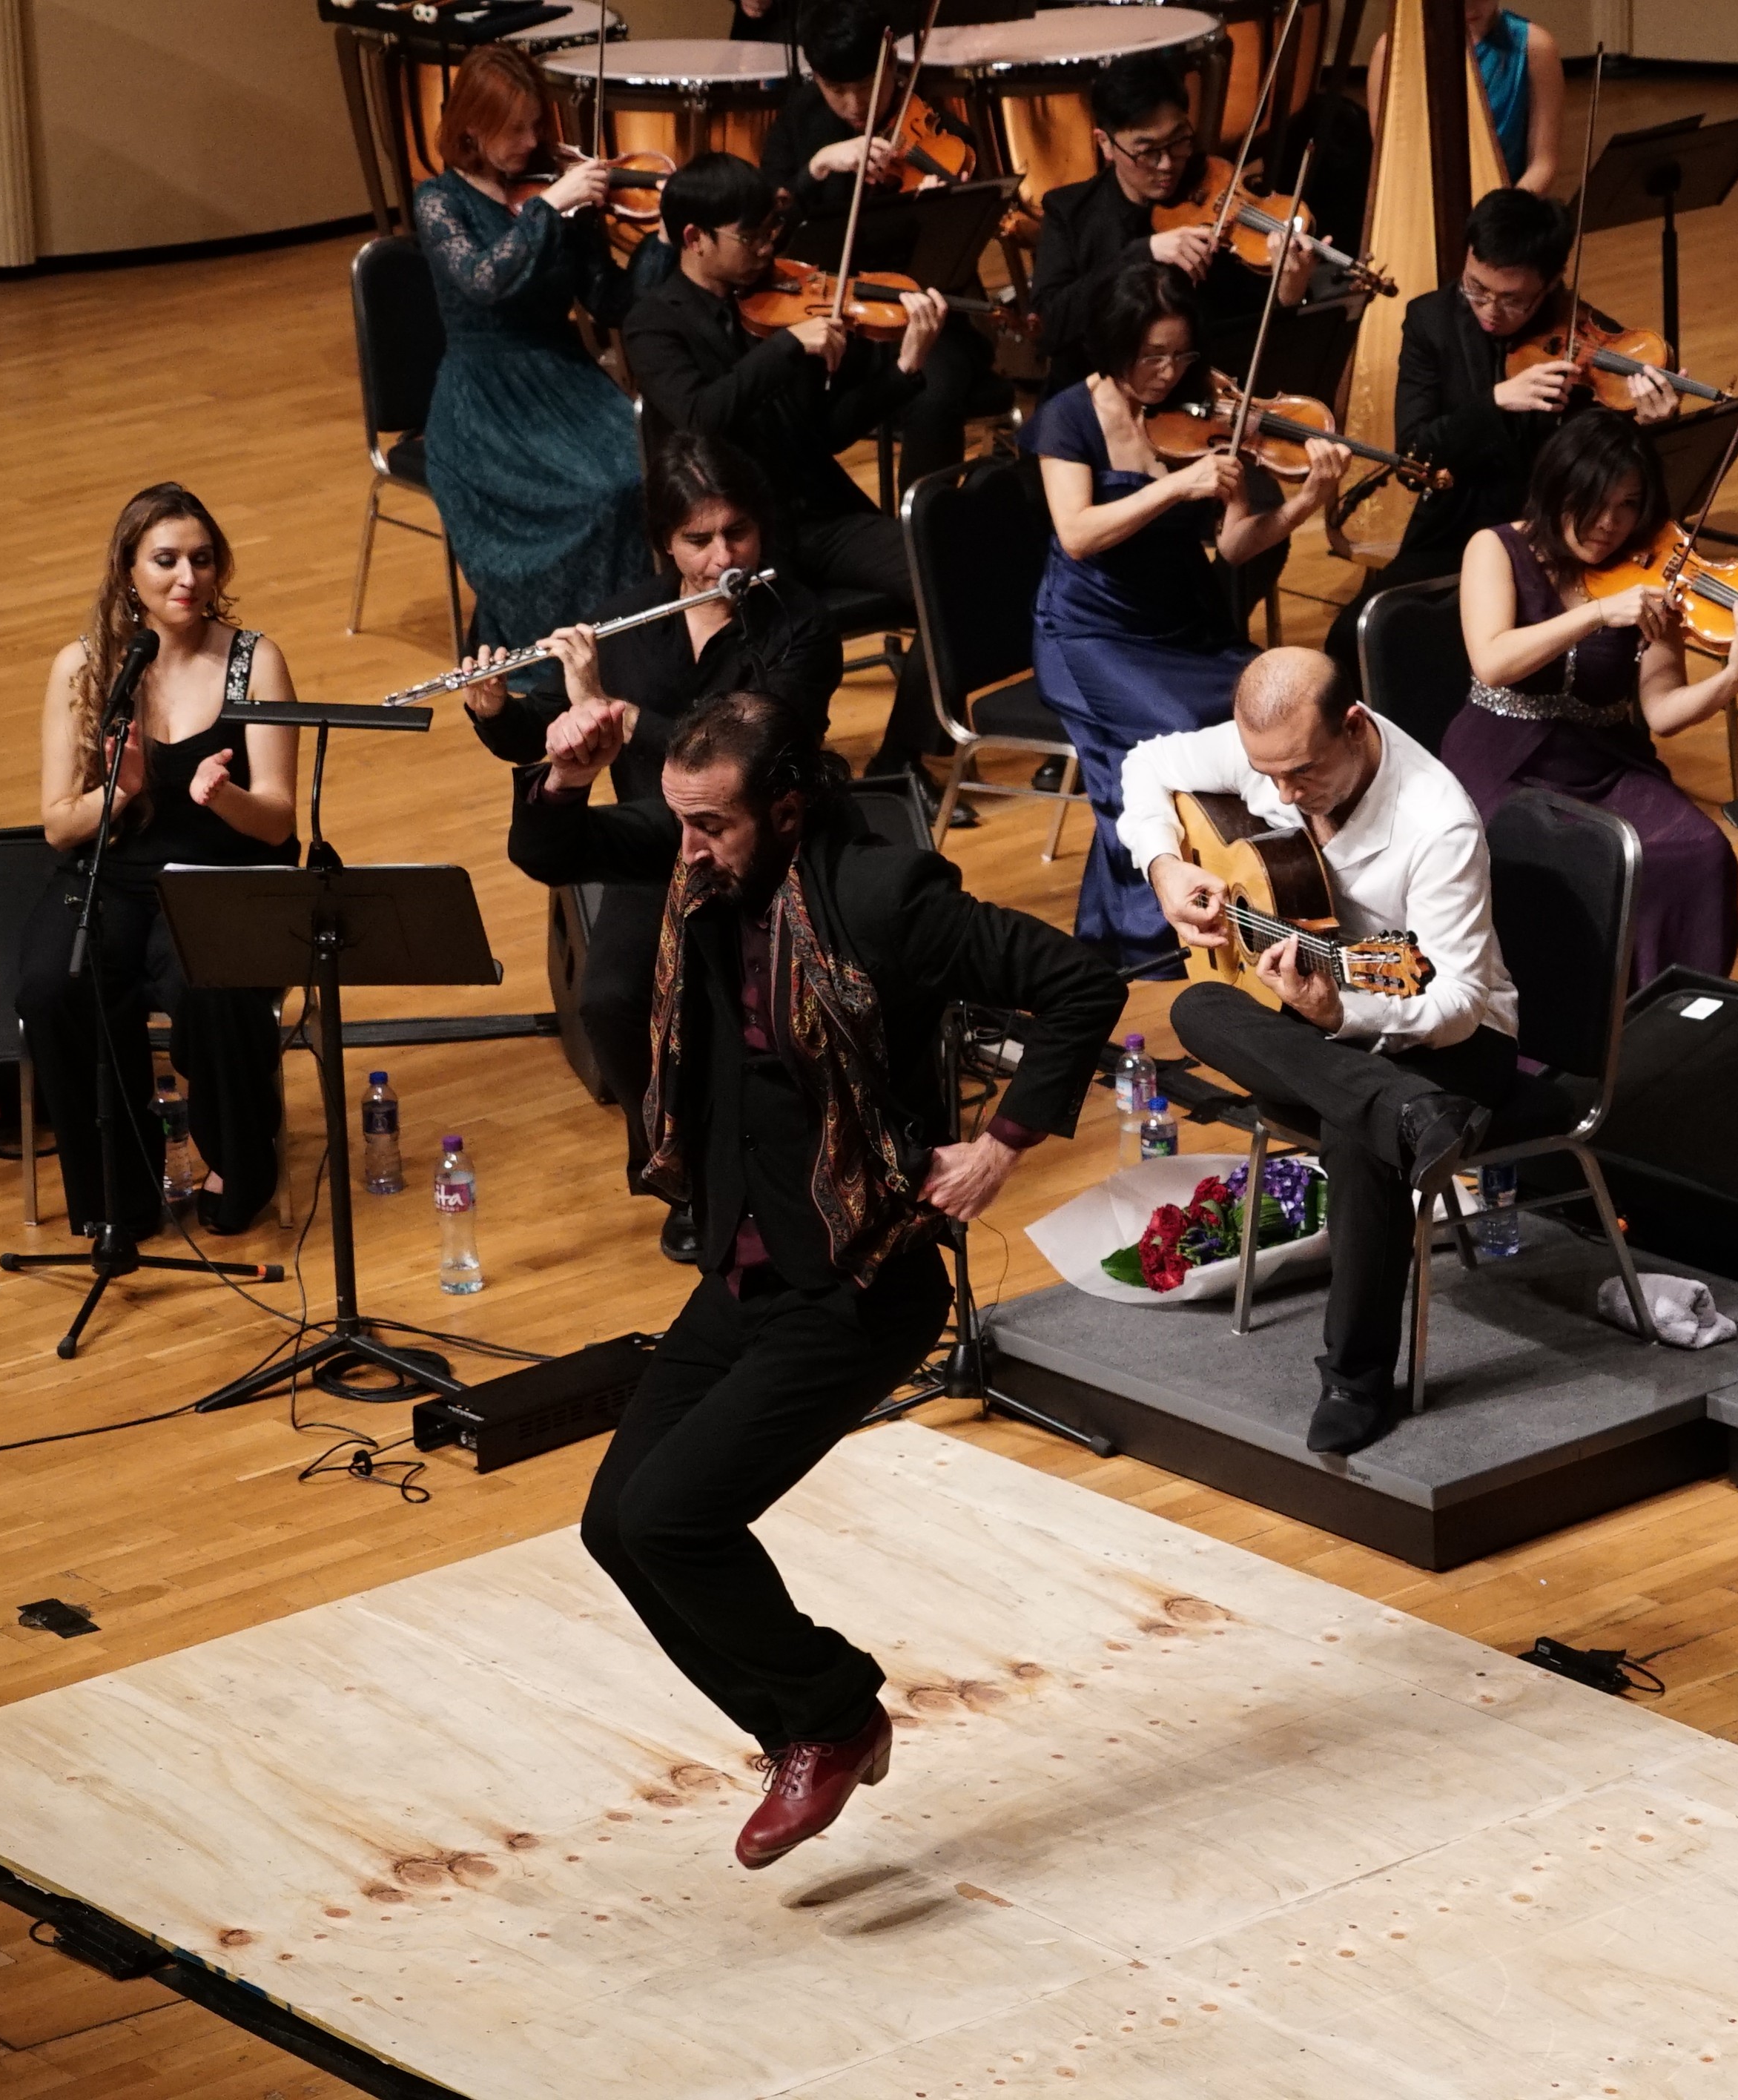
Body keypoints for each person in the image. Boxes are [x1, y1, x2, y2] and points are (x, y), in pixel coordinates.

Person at [508, 689, 1123, 1871]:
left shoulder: (888, 895)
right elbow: (554, 849)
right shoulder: (707, 856)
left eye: (709, 828)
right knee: (613, 1527)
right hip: (744, 1261)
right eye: (678, 824)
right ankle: (801, 1725)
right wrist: (566, 773)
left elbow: (1080, 984)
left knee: (675, 1517)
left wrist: (1004, 1142)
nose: (683, 849)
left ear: (785, 807)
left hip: (857, 1281)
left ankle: (833, 1715)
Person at [458, 433, 845, 1262]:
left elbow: (750, 757)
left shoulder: (799, 625)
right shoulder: (631, 621)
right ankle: (678, 1172)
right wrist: (497, 710)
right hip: (659, 845)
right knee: (610, 1000)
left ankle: (788, 1149)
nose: (720, 557)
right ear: (665, 544)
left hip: (767, 845)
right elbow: (557, 736)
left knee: (743, 1003)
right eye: (698, 541)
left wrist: (618, 713)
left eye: (735, 533)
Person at [1123, 650, 1519, 1456]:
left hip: (1450, 1041)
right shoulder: (1274, 754)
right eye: (1268, 774)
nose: (1280, 795)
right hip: (1334, 1030)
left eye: (1302, 774)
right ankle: (1404, 1113)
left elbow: (1455, 1002)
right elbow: (1145, 765)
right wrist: (1165, 864)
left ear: (1354, 727)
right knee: (1199, 1005)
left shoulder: (1437, 823)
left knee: (1353, 1127)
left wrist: (1345, 1009)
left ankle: (1356, 1380)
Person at [1028, 262, 1344, 966]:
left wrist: (1303, 503)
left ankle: (1269, 890)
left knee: (1265, 714)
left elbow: (1234, 545)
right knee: (1167, 736)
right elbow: (1077, 533)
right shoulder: (1067, 418)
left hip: (1182, 617)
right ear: (1112, 348)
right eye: (1153, 356)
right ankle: (1149, 929)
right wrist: (1176, 489)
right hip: (1093, 628)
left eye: (1182, 355)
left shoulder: (1206, 407)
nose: (1170, 373)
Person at [19, 484, 300, 1241]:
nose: (188, 579)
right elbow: (55, 826)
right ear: (128, 572)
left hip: (223, 877)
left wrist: (227, 798)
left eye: (202, 560)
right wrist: (121, 795)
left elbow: (277, 825)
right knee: (55, 985)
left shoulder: (255, 662)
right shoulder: (84, 669)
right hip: (110, 876)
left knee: (209, 986)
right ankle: (119, 1185)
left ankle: (238, 1160)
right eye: (167, 560)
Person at [623, 151, 950, 779]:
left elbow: (824, 431)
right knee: (790, 629)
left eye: (771, 232)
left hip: (819, 513)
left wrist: (905, 370)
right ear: (694, 239)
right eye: (750, 236)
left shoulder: (782, 298)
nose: (767, 248)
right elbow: (698, 416)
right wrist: (783, 350)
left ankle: (900, 761)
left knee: (948, 575)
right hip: (743, 535)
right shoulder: (653, 322)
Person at [1448, 411, 1738, 989]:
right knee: (1564, 870)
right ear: (1556, 488)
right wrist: (1596, 614)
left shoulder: (1649, 574)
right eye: (1594, 502)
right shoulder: (1495, 549)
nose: (1609, 524)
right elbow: (1492, 661)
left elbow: (1663, 711)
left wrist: (1731, 681)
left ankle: (1659, 1019)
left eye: (1628, 506)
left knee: (1700, 852)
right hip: (1504, 762)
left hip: (1603, 760)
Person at [1328, 186, 1674, 668]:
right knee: (1353, 637)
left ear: (1551, 284)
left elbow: (1613, 471)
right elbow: (1414, 458)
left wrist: (1646, 427)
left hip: (1560, 540)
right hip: (1455, 529)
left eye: (1513, 300)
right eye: (1477, 287)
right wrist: (1495, 402)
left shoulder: (1590, 340)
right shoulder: (1431, 322)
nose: (1489, 310)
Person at [410, 44, 649, 661]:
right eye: (514, 128)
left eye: (537, 123)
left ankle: (633, 651)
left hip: (565, 376)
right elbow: (486, 281)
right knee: (597, 497)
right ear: (471, 126)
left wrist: (663, 241)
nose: (531, 139)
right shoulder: (440, 201)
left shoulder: (555, 192)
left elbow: (609, 303)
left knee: (642, 476)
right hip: (484, 399)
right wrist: (552, 206)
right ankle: (567, 653)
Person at [753, 1, 1014, 492]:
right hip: (825, 309)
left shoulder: (943, 134)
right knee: (780, 388)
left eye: (866, 86)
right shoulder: (799, 119)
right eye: (837, 90)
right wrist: (819, 168)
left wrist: (944, 214)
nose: (854, 107)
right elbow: (769, 226)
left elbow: (962, 250)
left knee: (937, 391)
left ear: (892, 61)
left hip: (920, 312)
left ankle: (924, 538)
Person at [1029, 52, 1316, 391]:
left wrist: (1289, 291)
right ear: (1105, 144)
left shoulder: (1217, 195)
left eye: (1179, 141)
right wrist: (1142, 253)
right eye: (1148, 150)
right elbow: (1051, 326)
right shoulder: (1069, 212)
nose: (1167, 165)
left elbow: (1253, 325)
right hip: (1097, 409)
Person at [1368, 0, 1567, 194]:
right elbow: (1391, 164)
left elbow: (1543, 164)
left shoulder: (1535, 48)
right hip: (1418, 202)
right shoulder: (1391, 51)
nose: (1470, 5)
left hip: (1506, 211)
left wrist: (1500, 215)